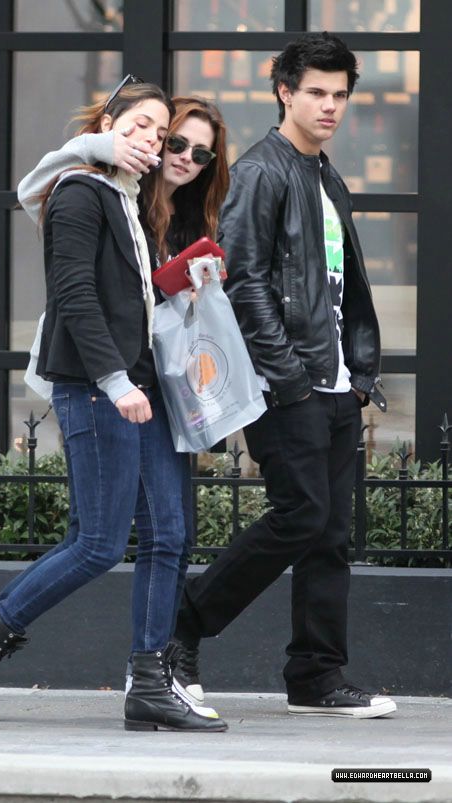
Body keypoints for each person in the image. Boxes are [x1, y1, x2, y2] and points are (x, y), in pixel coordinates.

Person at [0, 80, 227, 733]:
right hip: (98, 385)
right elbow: (74, 293)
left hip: (142, 384)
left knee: (169, 535)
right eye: (140, 127)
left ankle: (151, 683)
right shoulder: (80, 187)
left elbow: (126, 300)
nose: (152, 142)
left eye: (159, 136)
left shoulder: (129, 202)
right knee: (99, 543)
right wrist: (114, 379)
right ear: (108, 125)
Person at [170, 33, 397, 719]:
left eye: (340, 95)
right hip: (286, 383)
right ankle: (183, 624)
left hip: (332, 386)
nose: (330, 106)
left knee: (329, 534)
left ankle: (317, 676)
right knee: (301, 515)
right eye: (316, 93)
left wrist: (355, 375)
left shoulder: (327, 178)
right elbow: (241, 279)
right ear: (285, 93)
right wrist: (290, 375)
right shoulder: (263, 171)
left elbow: (342, 286)